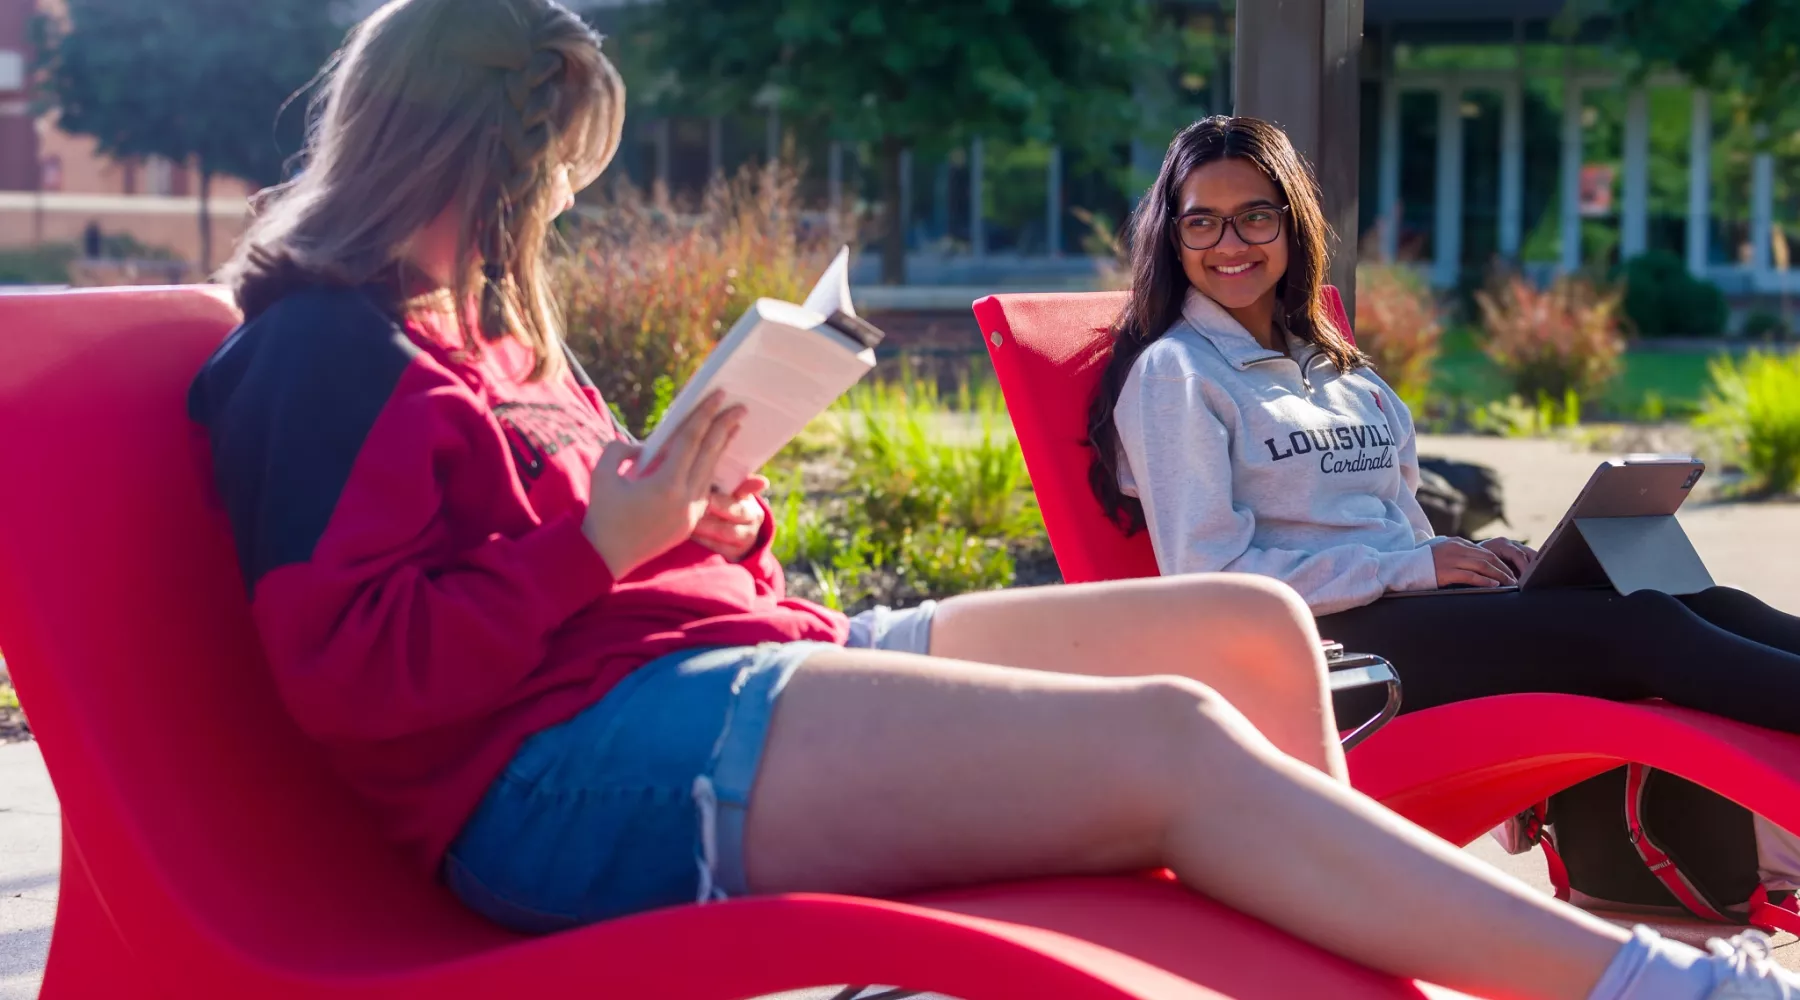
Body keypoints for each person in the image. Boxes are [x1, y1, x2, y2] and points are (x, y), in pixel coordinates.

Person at [187, 3, 1797, 997]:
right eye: (538, 168)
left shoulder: (481, 331)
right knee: (1172, 739)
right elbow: (356, 683)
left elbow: (576, 546)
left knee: (1241, 631)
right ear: (449, 150)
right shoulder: (323, 353)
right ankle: (1644, 983)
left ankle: (1303, 971)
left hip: (717, 662)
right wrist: (599, 548)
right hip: (561, 773)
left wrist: (703, 525)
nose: (545, 206)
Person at [1088, 114, 1800, 742]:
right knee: (1640, 628)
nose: (1229, 243)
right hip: (1317, 654)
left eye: (1254, 217)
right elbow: (1210, 580)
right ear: (1172, 238)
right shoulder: (1177, 375)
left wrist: (1471, 563)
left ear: (1291, 223)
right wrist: (1409, 569)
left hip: (1406, 616)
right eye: (1201, 222)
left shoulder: (1339, 367)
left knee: (1687, 597)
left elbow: (1400, 528)